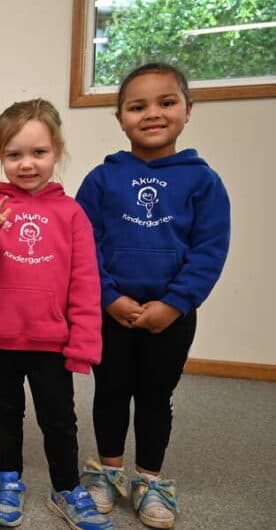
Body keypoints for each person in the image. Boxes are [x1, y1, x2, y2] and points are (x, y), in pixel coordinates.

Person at [0, 98, 112, 530]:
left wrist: (84, 345)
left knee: (59, 419)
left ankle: (66, 487)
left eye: (39, 153)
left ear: (57, 151)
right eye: (14, 154)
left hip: (51, 342)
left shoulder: (72, 214)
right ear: (0, 156)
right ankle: (8, 478)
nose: (27, 164)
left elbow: (86, 285)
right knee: (4, 415)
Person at [76, 63, 230, 530]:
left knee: (155, 397)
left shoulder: (203, 181)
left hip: (171, 316)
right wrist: (108, 297)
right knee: (110, 392)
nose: (152, 114)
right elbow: (84, 246)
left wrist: (174, 303)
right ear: (120, 117)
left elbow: (209, 250)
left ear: (187, 111)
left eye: (166, 103)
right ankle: (106, 472)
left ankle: (149, 480)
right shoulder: (101, 180)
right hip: (112, 312)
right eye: (137, 106)